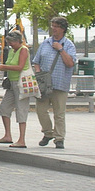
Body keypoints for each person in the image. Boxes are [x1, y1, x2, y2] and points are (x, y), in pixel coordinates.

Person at [31, 16, 76, 149]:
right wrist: (39, 74)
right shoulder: (45, 43)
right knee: (41, 110)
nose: (53, 29)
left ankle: (59, 138)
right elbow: (36, 61)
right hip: (45, 84)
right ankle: (48, 132)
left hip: (60, 83)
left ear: (62, 29)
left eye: (56, 26)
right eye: (52, 26)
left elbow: (70, 63)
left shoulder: (69, 45)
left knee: (59, 113)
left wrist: (60, 50)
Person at [0, 30, 30, 148]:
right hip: (11, 83)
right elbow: (10, 65)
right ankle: (7, 135)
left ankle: (22, 139)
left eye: (12, 42)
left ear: (19, 41)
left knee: (21, 109)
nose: (10, 44)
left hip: (21, 83)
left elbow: (19, 67)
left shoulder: (23, 50)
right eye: (9, 42)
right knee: (4, 108)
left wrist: (3, 66)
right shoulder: (12, 51)